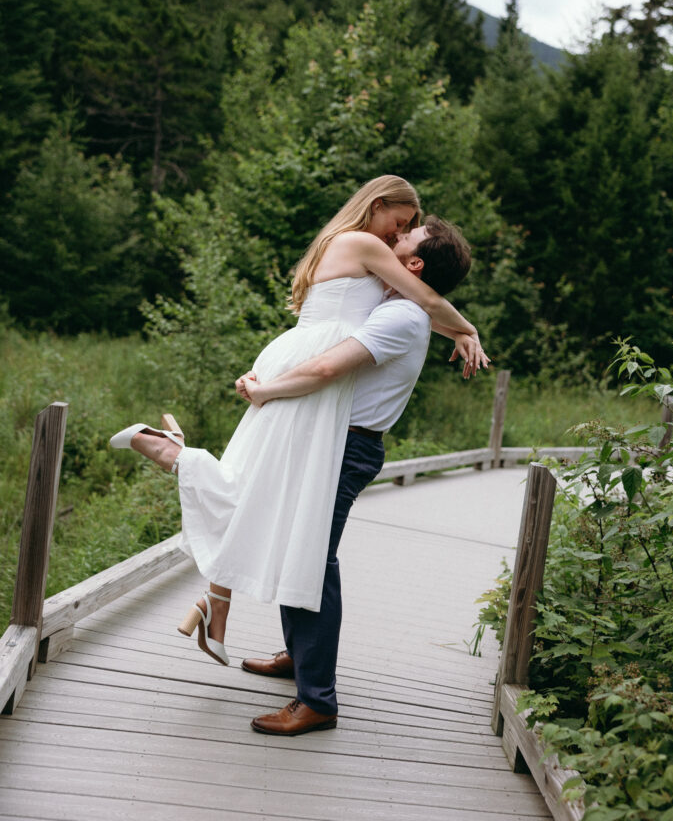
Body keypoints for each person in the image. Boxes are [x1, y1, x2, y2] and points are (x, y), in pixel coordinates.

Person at [110, 177, 484, 669]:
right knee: (260, 496)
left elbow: (420, 302)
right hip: (315, 365)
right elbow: (429, 300)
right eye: (400, 223)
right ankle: (174, 456)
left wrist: (456, 328)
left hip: (308, 361)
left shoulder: (359, 248)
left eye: (407, 232)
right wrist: (468, 329)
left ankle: (216, 607)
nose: (400, 235)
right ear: (377, 207)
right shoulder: (365, 243)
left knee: (263, 496)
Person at [233, 215, 483, 735]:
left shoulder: (401, 318)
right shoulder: (398, 306)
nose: (389, 241)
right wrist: (462, 327)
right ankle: (300, 658)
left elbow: (326, 367)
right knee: (295, 548)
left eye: (401, 240)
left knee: (314, 560)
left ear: (413, 264)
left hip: (346, 448)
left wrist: (265, 391)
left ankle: (317, 699)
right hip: (330, 441)